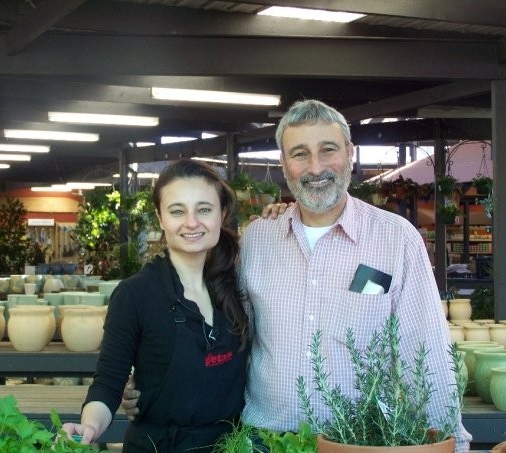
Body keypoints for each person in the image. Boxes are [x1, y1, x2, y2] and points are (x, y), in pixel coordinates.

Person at [124, 100, 472, 451]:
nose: (315, 167)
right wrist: (154, 381)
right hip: (262, 439)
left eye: (328, 150)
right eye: (300, 153)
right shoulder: (258, 238)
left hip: (356, 442)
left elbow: (425, 350)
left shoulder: (396, 240)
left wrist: (452, 441)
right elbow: (222, 333)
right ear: (284, 164)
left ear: (350, 153)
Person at [63, 159, 250, 452]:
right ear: (160, 218)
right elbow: (109, 383)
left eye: (204, 209)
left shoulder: (239, 284)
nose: (191, 222)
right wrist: (89, 426)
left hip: (232, 446)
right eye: (177, 211)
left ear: (222, 214)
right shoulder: (135, 295)